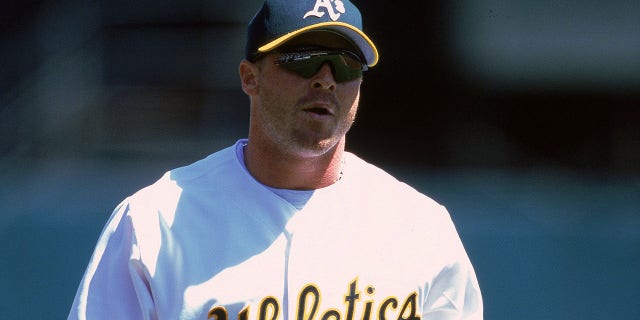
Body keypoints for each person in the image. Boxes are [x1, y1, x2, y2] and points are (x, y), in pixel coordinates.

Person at [67, 0, 483, 319]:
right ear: (251, 77)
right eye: (303, 59)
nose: (325, 78)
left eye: (345, 64)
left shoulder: (421, 228)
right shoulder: (153, 222)